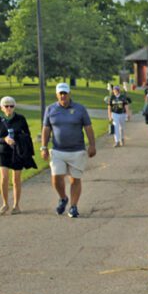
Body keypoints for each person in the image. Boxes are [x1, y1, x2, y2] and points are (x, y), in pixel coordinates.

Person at [41, 83, 95, 218]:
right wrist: (43, 147)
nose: (63, 96)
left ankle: (73, 206)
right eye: (60, 93)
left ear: (69, 94)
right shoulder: (50, 109)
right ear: (56, 94)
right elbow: (46, 129)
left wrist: (92, 145)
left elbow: (88, 127)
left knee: (75, 179)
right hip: (58, 150)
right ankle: (63, 198)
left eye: (65, 93)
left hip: (77, 150)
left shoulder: (80, 109)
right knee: (56, 178)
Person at [0, 96, 36, 215]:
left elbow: (27, 135)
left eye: (11, 106)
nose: (9, 108)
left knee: (16, 179)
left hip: (17, 151)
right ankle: (5, 204)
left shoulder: (20, 119)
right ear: (1, 108)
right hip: (3, 151)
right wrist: (4, 139)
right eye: (6, 106)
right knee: (4, 178)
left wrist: (25, 147)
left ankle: (16, 205)